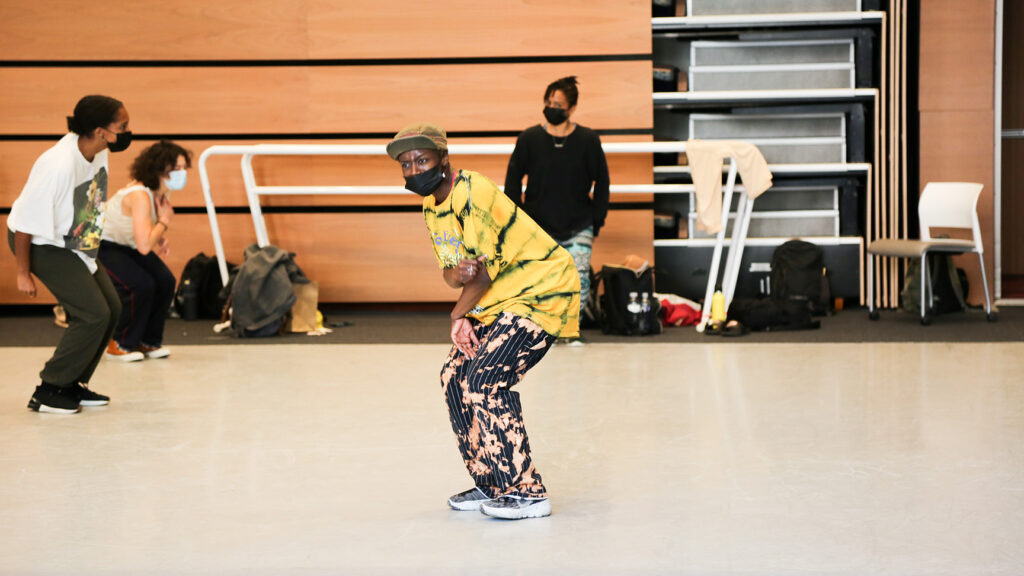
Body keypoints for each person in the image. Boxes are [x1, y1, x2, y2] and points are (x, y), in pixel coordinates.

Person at [387, 123, 580, 520]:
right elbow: (452, 273)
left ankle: (527, 492)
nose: (412, 171)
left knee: (484, 378)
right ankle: (492, 481)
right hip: (499, 301)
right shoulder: (431, 207)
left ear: (443, 158)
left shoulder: (473, 192)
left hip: (541, 290)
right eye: (405, 165)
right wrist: (458, 280)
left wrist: (459, 314)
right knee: (453, 377)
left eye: (421, 160)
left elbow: (485, 272)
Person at [7, 95, 132, 413]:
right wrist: (23, 272)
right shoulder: (58, 165)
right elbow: (23, 224)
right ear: (101, 131)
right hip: (38, 241)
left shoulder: (97, 152)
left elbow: (89, 204)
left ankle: (73, 383)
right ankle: (49, 389)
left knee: (112, 308)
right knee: (93, 313)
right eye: (123, 126)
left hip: (71, 239)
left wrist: (88, 255)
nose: (127, 132)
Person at [504, 76, 610, 342]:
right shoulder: (529, 138)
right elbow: (513, 181)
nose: (552, 107)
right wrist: (514, 221)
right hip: (538, 225)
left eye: (559, 104)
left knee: (580, 278)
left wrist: (597, 218)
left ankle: (571, 331)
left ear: (572, 109)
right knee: (541, 281)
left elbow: (603, 181)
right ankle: (544, 331)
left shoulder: (588, 140)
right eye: (549, 102)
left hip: (579, 222)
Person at [98, 140, 189, 361]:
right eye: (176, 169)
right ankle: (119, 342)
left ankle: (148, 341)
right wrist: (164, 223)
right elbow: (145, 245)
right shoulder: (139, 195)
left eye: (184, 168)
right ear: (159, 169)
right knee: (140, 285)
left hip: (127, 245)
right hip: (104, 246)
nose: (182, 173)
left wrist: (161, 235)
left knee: (165, 281)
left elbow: (140, 228)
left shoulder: (160, 192)